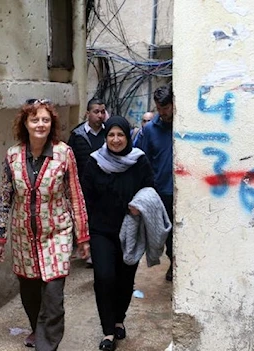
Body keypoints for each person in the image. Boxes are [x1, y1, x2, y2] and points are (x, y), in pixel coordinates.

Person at [0, 99, 91, 350]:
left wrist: (82, 237)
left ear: (52, 124)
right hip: (23, 236)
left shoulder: (64, 153)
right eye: (35, 119)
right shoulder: (13, 155)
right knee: (30, 293)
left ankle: (47, 345)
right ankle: (38, 329)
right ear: (25, 124)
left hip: (56, 233)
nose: (40, 124)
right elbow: (5, 196)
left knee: (54, 296)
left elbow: (75, 195)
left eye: (45, 120)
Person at [81, 116, 155, 351]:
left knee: (125, 280)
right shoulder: (95, 162)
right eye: (111, 135)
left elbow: (149, 189)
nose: (115, 139)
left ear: (127, 136)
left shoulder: (139, 161)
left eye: (120, 135)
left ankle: (119, 319)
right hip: (101, 230)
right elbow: (85, 196)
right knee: (104, 277)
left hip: (130, 230)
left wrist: (140, 204)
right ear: (106, 137)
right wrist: (84, 231)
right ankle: (108, 332)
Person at [135, 85, 175, 281]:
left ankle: (178, 265)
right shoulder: (150, 130)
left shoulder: (182, 125)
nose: (163, 112)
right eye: (160, 108)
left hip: (182, 190)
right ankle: (173, 261)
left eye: (166, 108)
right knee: (167, 233)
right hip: (162, 191)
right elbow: (142, 158)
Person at [68, 98, 107, 268]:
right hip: (84, 187)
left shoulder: (109, 134)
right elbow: (70, 162)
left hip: (106, 186)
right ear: (87, 113)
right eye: (96, 112)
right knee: (87, 219)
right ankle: (89, 251)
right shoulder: (77, 136)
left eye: (102, 112)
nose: (100, 115)